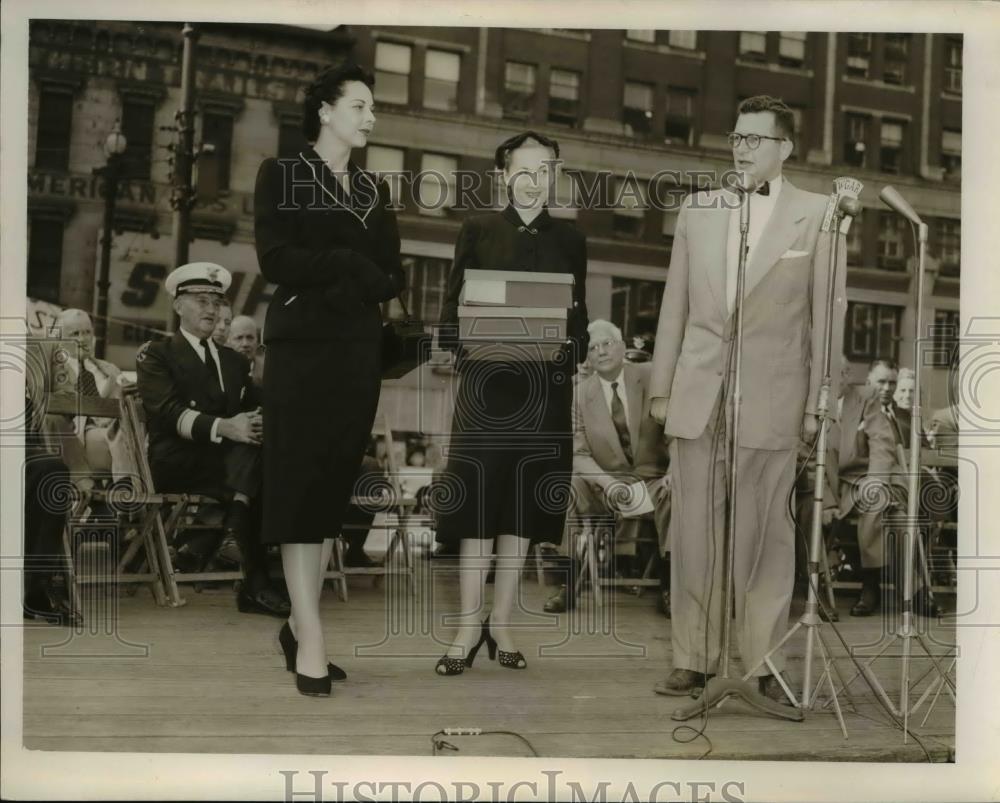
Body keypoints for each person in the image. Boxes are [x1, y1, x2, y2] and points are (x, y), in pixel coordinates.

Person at [648, 95, 847, 701]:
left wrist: (822, 401)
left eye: (756, 138)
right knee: (693, 535)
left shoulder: (820, 214)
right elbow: (674, 305)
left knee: (767, 540)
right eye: (737, 137)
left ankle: (762, 664)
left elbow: (827, 318)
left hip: (775, 398)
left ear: (785, 147)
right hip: (699, 395)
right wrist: (661, 389)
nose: (742, 147)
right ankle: (694, 657)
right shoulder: (698, 210)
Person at [253, 62, 405, 697]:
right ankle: (311, 634)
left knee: (329, 490)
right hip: (301, 351)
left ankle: (298, 623)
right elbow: (275, 258)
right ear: (325, 111)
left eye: (373, 109)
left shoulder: (375, 191)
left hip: (355, 353)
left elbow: (391, 275)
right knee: (297, 484)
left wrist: (351, 273)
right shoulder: (283, 174)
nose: (371, 117)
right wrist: (345, 262)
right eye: (361, 106)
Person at [434, 129, 589, 675]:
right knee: (478, 506)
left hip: (543, 394)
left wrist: (567, 350)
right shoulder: (476, 230)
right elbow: (451, 311)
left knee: (521, 508)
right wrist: (462, 338)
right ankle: (466, 628)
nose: (533, 182)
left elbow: (579, 322)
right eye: (522, 172)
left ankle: (502, 625)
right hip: (485, 392)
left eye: (544, 171)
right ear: (503, 176)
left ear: (555, 174)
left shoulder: (571, 240)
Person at [135, 262, 289, 618]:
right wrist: (226, 427)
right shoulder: (157, 354)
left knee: (268, 459)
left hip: (225, 462)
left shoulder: (233, 362)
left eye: (216, 302)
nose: (211, 309)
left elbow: (259, 403)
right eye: (201, 300)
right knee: (258, 464)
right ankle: (255, 580)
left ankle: (252, 572)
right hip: (176, 460)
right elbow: (169, 413)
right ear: (177, 307)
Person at [543, 319, 670, 616]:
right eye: (593, 347)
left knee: (678, 492)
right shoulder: (579, 394)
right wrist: (605, 481)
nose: (601, 351)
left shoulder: (654, 377)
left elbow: (676, 429)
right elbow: (578, 452)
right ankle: (567, 584)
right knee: (568, 487)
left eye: (607, 344)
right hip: (606, 486)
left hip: (652, 484)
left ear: (623, 346)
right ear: (587, 356)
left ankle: (669, 587)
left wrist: (675, 469)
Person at [838, 359, 940, 617]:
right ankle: (912, 592)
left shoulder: (866, 401)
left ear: (850, 374)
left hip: (874, 478)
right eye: (880, 381)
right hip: (844, 482)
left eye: (842, 372)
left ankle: (871, 588)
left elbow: (882, 445)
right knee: (891, 510)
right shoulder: (810, 402)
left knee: (890, 510)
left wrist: (876, 482)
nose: (885, 387)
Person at [43, 308, 123, 484]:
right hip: (76, 437)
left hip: (114, 431)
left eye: (87, 332)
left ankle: (131, 492)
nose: (82, 339)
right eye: (75, 333)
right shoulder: (51, 370)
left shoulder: (110, 370)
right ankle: (131, 492)